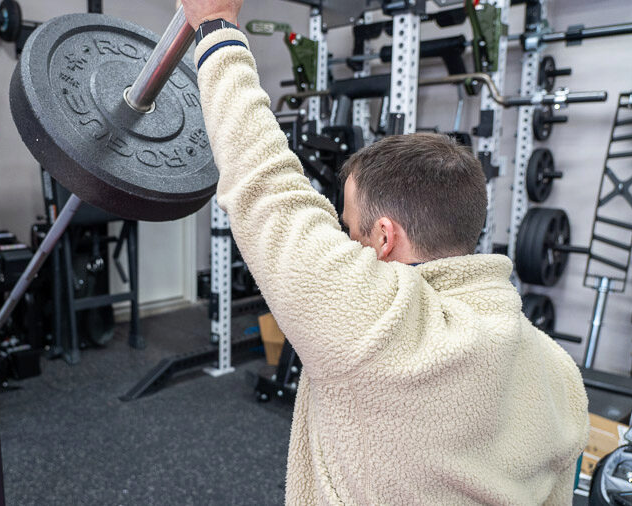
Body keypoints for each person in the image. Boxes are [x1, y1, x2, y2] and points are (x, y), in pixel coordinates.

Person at [179, 0, 589, 503]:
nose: (347, 241)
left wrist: (216, 26)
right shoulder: (559, 373)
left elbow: (265, 184)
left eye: (350, 229)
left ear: (384, 237)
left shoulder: (377, 325)